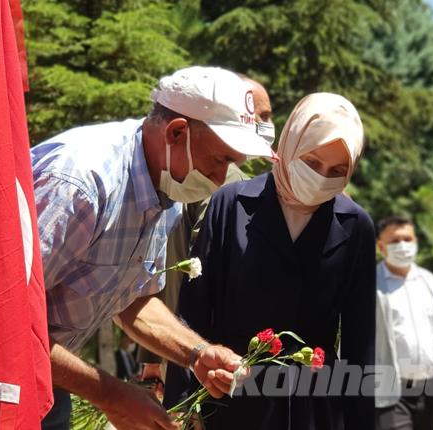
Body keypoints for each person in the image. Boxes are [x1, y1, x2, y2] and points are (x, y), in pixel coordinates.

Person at [32, 66, 274, 430]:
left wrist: (196, 353)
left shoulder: (167, 188)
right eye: (220, 160)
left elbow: (133, 301)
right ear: (177, 132)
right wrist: (110, 394)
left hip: (45, 377)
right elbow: (2, 319)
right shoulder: (79, 185)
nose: (220, 179)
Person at [164, 92, 376, 429]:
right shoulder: (231, 204)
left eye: (337, 171)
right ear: (291, 143)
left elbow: (359, 340)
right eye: (312, 162)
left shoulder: (355, 225)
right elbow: (194, 310)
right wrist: (180, 407)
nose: (321, 178)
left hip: (314, 409)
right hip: (232, 400)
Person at [134, 75, 275, 376]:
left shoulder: (180, 172)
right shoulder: (219, 182)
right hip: (204, 356)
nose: (267, 125)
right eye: (261, 116)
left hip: (182, 348)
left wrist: (152, 360)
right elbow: (198, 270)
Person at [374, 216, 433, 430]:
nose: (402, 246)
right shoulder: (370, 285)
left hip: (429, 389)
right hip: (391, 390)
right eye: (394, 241)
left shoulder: (431, 283)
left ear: (416, 242)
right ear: (381, 247)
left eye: (407, 239)